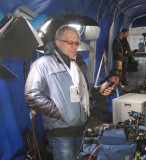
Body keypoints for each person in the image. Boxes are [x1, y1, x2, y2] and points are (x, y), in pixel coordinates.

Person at [25, 25, 113, 160]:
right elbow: (32, 95)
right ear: (57, 42)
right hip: (61, 131)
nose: (74, 46)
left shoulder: (79, 64)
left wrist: (99, 92)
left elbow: (86, 92)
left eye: (77, 43)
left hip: (81, 127)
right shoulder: (43, 64)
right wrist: (59, 112)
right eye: (70, 42)